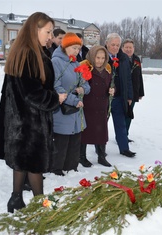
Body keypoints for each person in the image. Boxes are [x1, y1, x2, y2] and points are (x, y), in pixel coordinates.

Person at [0, 12, 60, 213]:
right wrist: (56, 98)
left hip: (21, 120)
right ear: (35, 29)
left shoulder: (28, 51)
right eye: (47, 32)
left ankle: (16, 199)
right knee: (34, 164)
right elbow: (33, 94)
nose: (50, 36)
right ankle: (41, 205)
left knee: (22, 161)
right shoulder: (29, 55)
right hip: (30, 122)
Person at [50, 32, 91, 176]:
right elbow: (56, 86)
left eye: (78, 49)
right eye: (74, 48)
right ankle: (57, 168)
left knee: (75, 139)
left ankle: (71, 166)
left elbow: (86, 85)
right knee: (62, 140)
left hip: (76, 110)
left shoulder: (76, 63)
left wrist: (83, 89)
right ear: (65, 46)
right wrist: (74, 100)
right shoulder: (56, 61)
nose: (77, 51)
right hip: (63, 108)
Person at [79, 46, 115, 167]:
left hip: (102, 106)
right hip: (88, 106)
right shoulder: (86, 68)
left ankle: (101, 155)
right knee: (85, 131)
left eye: (102, 58)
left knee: (102, 131)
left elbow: (111, 85)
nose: (100, 60)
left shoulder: (107, 70)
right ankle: (82, 156)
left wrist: (112, 90)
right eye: (97, 57)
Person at [105, 33, 135, 157]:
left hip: (119, 98)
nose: (115, 47)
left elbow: (128, 79)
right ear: (107, 44)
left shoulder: (124, 59)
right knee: (101, 124)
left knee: (121, 124)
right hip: (104, 98)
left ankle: (124, 148)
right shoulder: (101, 56)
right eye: (113, 45)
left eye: (117, 45)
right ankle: (100, 149)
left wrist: (129, 96)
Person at [121, 39, 145, 142]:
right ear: (122, 48)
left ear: (133, 48)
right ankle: (121, 136)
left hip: (134, 92)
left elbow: (139, 76)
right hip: (122, 93)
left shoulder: (136, 60)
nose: (128, 49)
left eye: (130, 47)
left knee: (129, 114)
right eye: (126, 47)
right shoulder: (120, 58)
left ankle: (125, 135)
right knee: (122, 115)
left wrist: (140, 92)